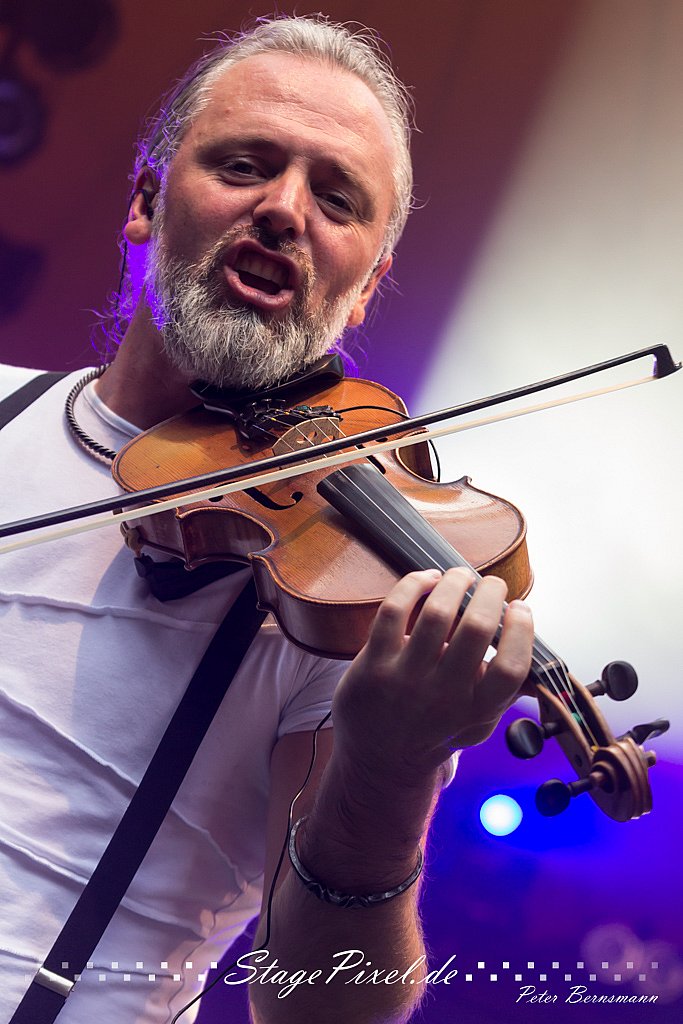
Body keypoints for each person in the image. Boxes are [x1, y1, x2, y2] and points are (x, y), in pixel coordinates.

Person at [0, 15, 534, 1024]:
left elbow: (321, 1012)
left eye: (336, 199)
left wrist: (386, 771)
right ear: (145, 202)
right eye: (244, 165)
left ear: (365, 287)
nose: (284, 209)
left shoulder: (347, 596)